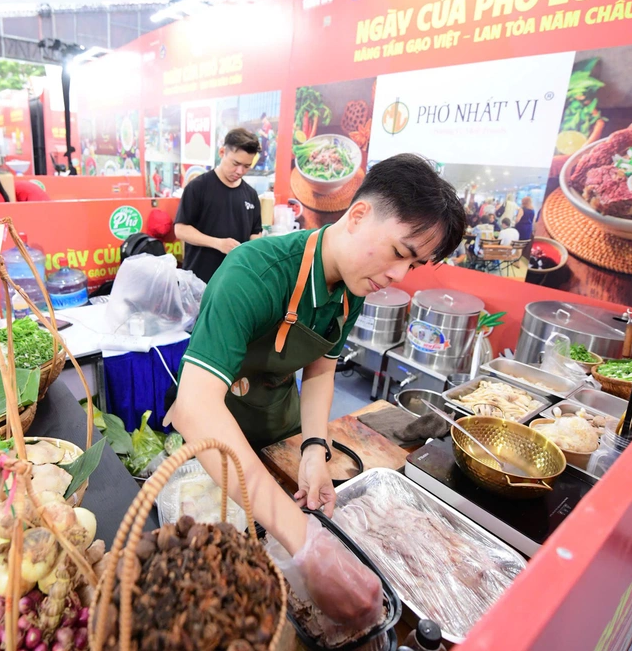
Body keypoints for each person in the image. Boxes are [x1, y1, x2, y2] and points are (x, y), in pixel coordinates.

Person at [167, 153, 465, 627]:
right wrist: (303, 541)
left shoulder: (352, 289)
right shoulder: (254, 273)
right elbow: (195, 407)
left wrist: (311, 450)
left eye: (415, 265)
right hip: (217, 444)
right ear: (360, 214)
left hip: (279, 427)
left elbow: (320, 372)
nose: (399, 277)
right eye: (400, 253)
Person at [173, 128, 263, 284]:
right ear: (222, 152)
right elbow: (180, 229)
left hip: (235, 281)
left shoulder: (251, 195)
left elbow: (255, 233)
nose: (240, 171)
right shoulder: (198, 187)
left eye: (247, 166)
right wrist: (218, 243)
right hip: (199, 281)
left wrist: (253, 249)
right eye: (236, 163)